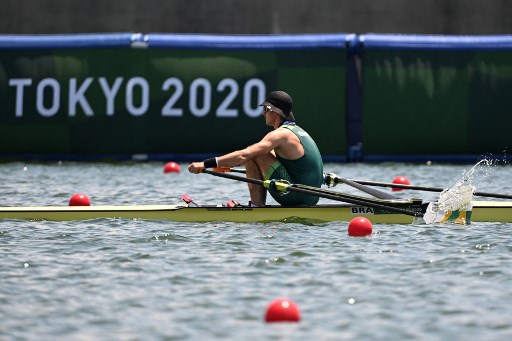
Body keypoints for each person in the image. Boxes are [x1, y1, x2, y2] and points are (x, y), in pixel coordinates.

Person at [188, 90, 324, 206]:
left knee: (254, 151)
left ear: (274, 112)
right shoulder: (298, 132)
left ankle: (255, 206)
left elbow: (244, 156)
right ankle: (256, 206)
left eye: (265, 109)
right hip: (311, 196)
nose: (263, 113)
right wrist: (226, 163)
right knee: (259, 152)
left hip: (295, 196)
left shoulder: (280, 134)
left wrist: (205, 164)